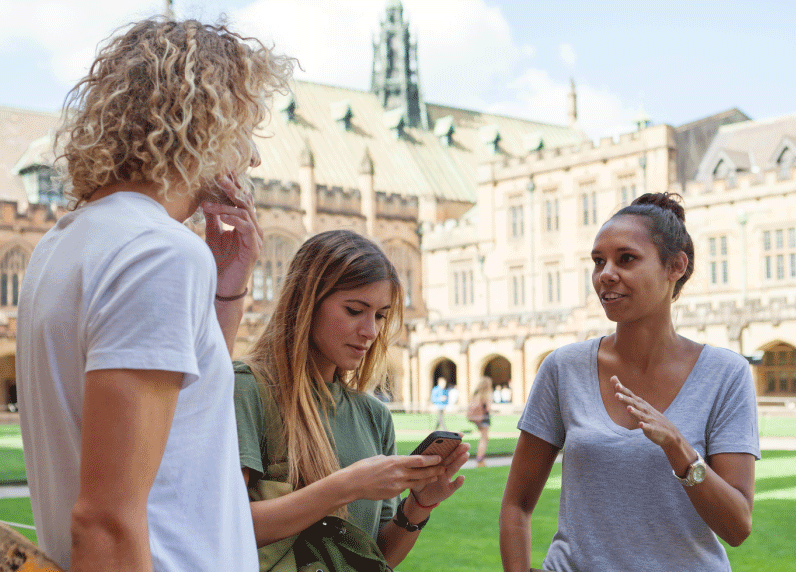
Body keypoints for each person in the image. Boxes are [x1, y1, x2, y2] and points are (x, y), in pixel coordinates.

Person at [16, 17, 293, 571]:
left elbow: (181, 420)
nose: (252, 157)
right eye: (244, 128)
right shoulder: (159, 252)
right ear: (205, 121)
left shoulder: (65, 242)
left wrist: (226, 285)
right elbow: (105, 520)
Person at [500, 193, 759, 572]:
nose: (605, 273)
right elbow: (516, 505)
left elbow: (737, 527)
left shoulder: (726, 374)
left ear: (675, 266)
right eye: (598, 261)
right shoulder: (563, 368)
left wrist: (679, 449)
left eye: (627, 259)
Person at [233, 230, 470, 571]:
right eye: (355, 310)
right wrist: (348, 485)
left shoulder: (374, 415)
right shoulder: (248, 389)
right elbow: (226, 528)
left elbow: (376, 556)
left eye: (380, 315)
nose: (370, 331)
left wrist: (417, 507)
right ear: (306, 301)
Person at [468, 376, 493, 467]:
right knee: (484, 439)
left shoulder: (476, 394)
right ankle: (480, 459)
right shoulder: (487, 394)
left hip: (477, 419)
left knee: (482, 438)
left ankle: (480, 458)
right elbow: (488, 408)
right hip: (484, 418)